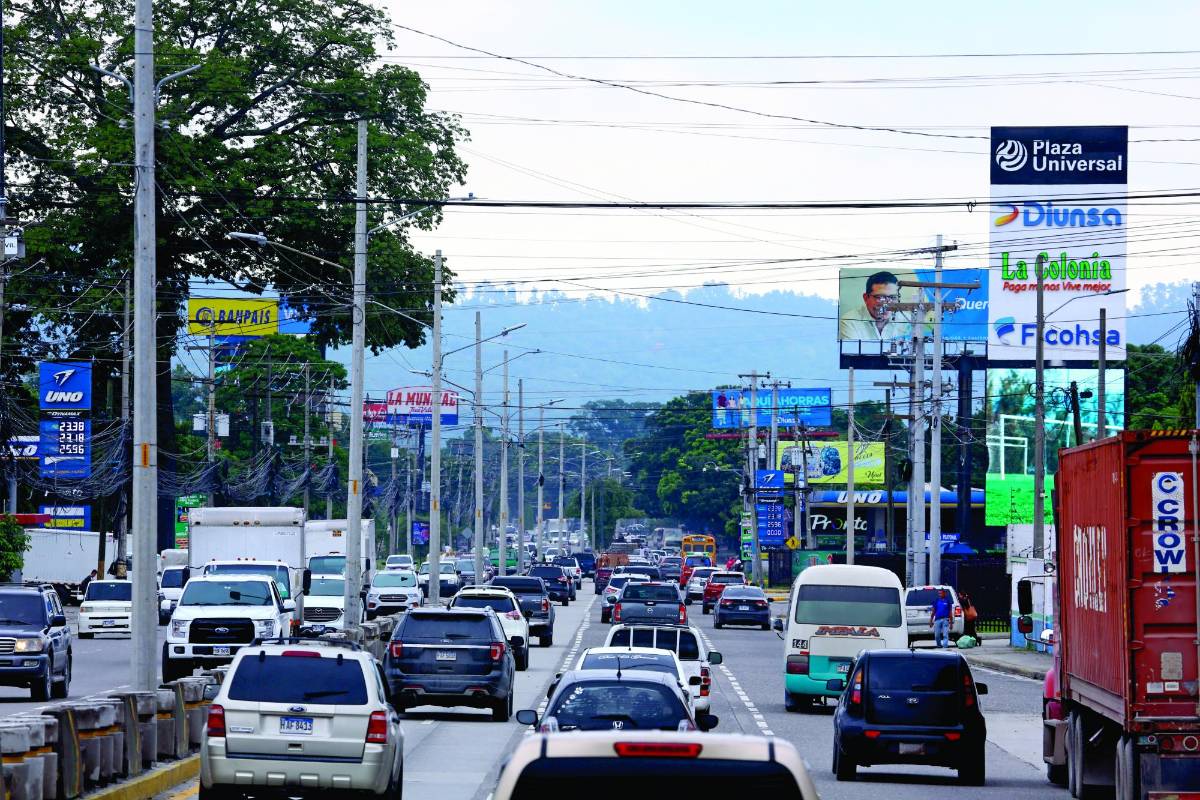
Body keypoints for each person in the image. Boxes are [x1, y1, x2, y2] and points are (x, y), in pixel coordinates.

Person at [839, 270, 905, 341]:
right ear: (866, 298)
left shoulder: (906, 320)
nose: (887, 304)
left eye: (893, 297)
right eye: (880, 297)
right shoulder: (850, 321)